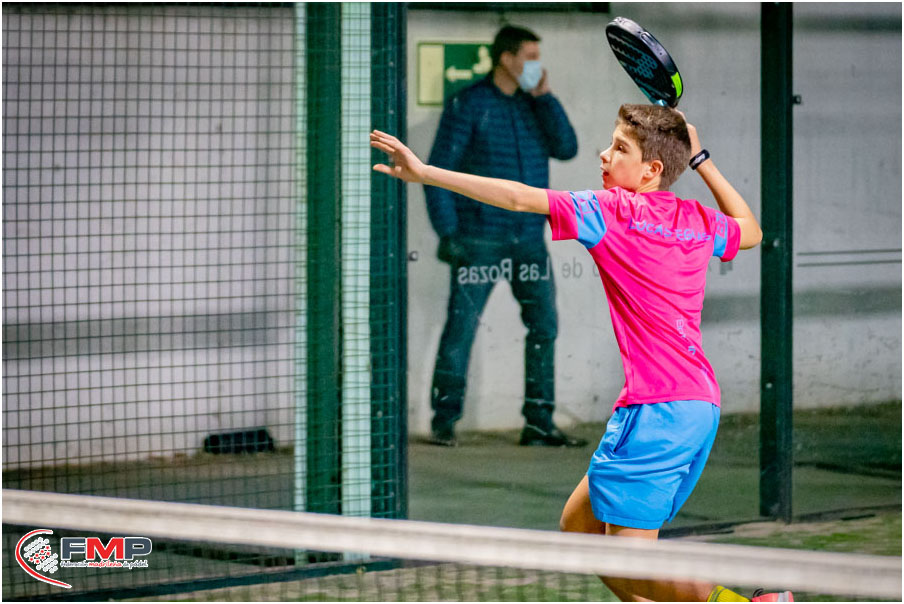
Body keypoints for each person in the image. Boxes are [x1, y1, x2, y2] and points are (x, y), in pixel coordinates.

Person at [370, 103, 793, 602]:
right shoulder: (697, 219)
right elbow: (751, 230)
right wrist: (701, 160)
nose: (604, 154)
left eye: (620, 148)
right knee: (579, 529)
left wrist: (425, 174)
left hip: (660, 412)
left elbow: (518, 197)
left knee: (630, 560)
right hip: (692, 404)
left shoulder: (612, 210)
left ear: (651, 170)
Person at [424, 24, 585, 448]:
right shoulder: (469, 104)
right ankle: (444, 421)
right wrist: (449, 233)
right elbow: (437, 172)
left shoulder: (535, 105)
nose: (536, 66)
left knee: (544, 326)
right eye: (530, 57)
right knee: (462, 328)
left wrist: (545, 98)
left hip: (529, 238)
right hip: (480, 240)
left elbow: (567, 147)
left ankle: (539, 422)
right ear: (506, 58)